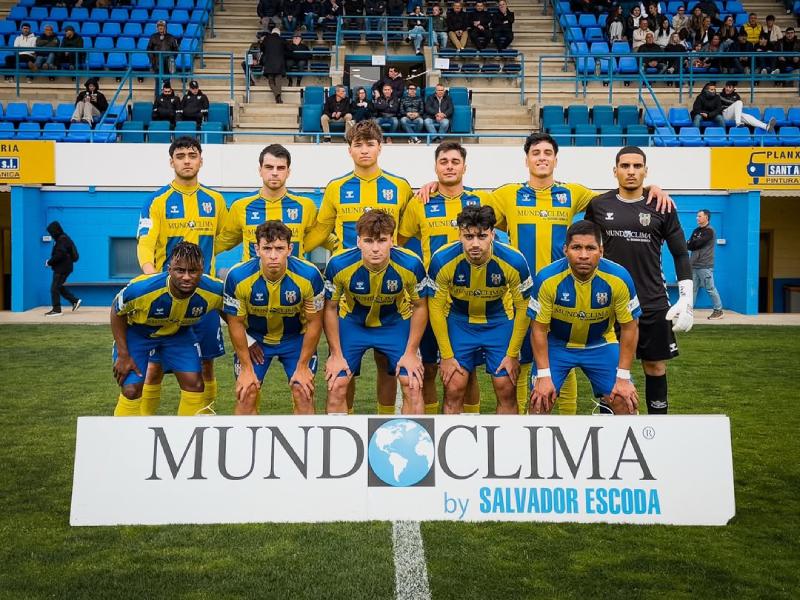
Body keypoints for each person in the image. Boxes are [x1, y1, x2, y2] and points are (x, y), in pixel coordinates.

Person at [416, 132, 672, 415]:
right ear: (526, 160)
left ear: (555, 159)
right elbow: (466, 200)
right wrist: (436, 185)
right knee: (523, 367)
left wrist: (649, 189)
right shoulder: (505, 195)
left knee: (566, 358)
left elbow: (614, 199)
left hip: (565, 290)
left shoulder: (572, 193)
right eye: (535, 153)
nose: (541, 158)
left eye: (547, 153)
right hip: (522, 295)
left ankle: (568, 422)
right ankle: (526, 426)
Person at [304, 120, 414, 414]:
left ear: (381, 146)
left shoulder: (400, 186)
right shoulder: (336, 187)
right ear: (349, 150)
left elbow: (408, 229)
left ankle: (386, 421)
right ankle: (346, 422)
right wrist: (291, 248)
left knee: (386, 365)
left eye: (370, 144)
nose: (364, 150)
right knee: (344, 370)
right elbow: (320, 230)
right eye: (358, 145)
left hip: (390, 292)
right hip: (348, 295)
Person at [584, 146, 693, 415]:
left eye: (636, 166)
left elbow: (680, 252)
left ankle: (659, 426)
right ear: (615, 171)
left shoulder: (661, 205)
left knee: (655, 366)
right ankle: (609, 427)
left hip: (652, 301)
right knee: (611, 368)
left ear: (645, 171)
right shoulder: (599, 206)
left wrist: (686, 298)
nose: (631, 171)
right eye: (625, 166)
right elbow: (586, 247)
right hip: (607, 304)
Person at [398, 141, 493, 414]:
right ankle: (432, 426)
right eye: (443, 161)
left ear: (465, 166)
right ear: (435, 166)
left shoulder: (481, 200)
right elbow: (401, 241)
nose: (449, 166)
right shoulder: (420, 203)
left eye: (455, 161)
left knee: (467, 370)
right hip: (431, 297)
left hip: (468, 298)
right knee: (427, 367)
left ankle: (470, 422)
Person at [136, 137, 228, 416]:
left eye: (192, 155)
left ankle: (204, 421)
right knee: (154, 368)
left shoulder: (215, 200)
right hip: (167, 296)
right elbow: (145, 241)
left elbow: (224, 238)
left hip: (204, 298)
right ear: (172, 161)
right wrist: (152, 277)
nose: (187, 160)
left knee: (207, 364)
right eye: (180, 156)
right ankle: (143, 424)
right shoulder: (157, 200)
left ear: (201, 160)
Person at [528, 220, 641, 416]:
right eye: (576, 247)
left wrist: (623, 377)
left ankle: (616, 446)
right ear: (565, 249)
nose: (583, 255)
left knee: (625, 402)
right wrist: (544, 376)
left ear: (601, 250)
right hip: (558, 345)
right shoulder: (546, 279)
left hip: (600, 344)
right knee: (539, 403)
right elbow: (538, 329)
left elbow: (630, 327)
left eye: (590, 248)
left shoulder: (619, 278)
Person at [428, 205, 531, 415]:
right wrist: (446, 356)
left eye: (482, 236)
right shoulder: (441, 260)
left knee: (506, 386)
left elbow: (523, 308)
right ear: (459, 234)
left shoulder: (514, 260)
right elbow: (436, 308)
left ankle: (506, 445)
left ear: (493, 234)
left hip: (498, 321)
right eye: (468, 236)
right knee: (454, 385)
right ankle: (451, 446)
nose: (475, 244)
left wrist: (512, 355)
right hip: (459, 321)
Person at [323, 210, 427, 415]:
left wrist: (411, 352)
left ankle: (412, 444)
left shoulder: (411, 264)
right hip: (353, 323)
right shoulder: (338, 264)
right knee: (337, 384)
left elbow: (420, 306)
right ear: (358, 241)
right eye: (369, 241)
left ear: (392, 240)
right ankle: (338, 444)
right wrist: (335, 354)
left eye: (382, 240)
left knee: (413, 384)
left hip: (394, 323)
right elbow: (330, 308)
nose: (376, 249)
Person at [111, 242, 223, 417]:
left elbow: (233, 315)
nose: (186, 277)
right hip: (138, 333)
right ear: (169, 269)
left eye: (193, 271)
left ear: (202, 270)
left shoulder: (215, 290)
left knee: (195, 384)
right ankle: (126, 439)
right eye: (180, 270)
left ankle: (187, 437)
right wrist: (123, 354)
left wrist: (249, 341)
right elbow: (116, 311)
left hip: (178, 334)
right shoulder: (143, 289)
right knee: (131, 389)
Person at [224, 221, 325, 415]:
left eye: (279, 248)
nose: (273, 256)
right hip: (257, 339)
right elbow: (235, 323)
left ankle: (304, 444)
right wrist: (246, 368)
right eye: (267, 248)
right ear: (256, 249)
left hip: (296, 338)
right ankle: (245, 444)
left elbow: (314, 322)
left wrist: (303, 366)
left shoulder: (309, 275)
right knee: (247, 393)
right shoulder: (237, 276)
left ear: (289, 249)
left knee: (303, 392)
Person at [216, 144, 326, 262]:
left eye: (280, 168)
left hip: (294, 278)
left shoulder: (305, 206)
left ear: (288, 172)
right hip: (252, 279)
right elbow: (224, 240)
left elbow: (323, 236)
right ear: (260, 170)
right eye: (269, 167)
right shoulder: (240, 206)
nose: (274, 173)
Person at [687, 209, 723, 319]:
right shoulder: (696, 230)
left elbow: (697, 244)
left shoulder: (709, 231)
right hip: (694, 265)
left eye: (699, 216)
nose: (697, 218)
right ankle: (688, 311)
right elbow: (689, 245)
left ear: (706, 217)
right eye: (697, 216)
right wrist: (692, 243)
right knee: (692, 289)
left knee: (710, 288)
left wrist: (692, 243)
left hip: (705, 265)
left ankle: (718, 311)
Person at [44, 221, 81, 317]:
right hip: (66, 267)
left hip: (61, 269)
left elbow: (59, 254)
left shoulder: (61, 240)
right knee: (58, 287)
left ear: (55, 231)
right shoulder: (65, 238)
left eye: (51, 233)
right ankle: (74, 301)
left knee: (54, 288)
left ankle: (57, 310)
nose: (51, 235)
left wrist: (49, 262)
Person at [260, 27, 286, 103]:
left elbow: (262, 48)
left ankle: (277, 95)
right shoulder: (282, 39)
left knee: (271, 81)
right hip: (279, 64)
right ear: (279, 33)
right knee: (278, 81)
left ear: (272, 32)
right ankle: (278, 96)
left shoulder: (266, 39)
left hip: (269, 63)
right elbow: (288, 48)